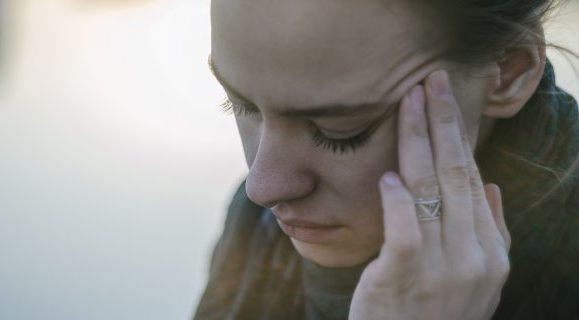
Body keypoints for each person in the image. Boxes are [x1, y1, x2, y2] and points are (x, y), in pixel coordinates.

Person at [195, 0, 579, 318]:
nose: (261, 187)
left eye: (340, 132)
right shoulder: (256, 228)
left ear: (510, 71)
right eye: (240, 105)